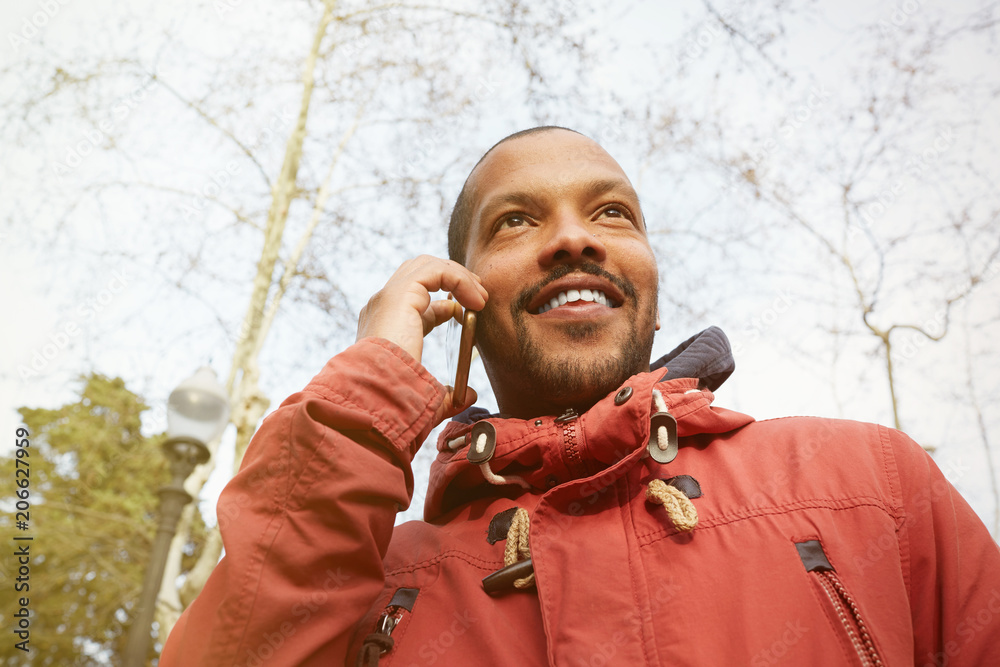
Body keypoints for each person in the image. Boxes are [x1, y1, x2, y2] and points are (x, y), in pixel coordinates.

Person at [161, 127, 1000, 667]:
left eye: (611, 212)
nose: (573, 236)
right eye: (515, 222)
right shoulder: (376, 578)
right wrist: (369, 383)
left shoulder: (871, 485)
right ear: (461, 305)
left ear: (648, 285)